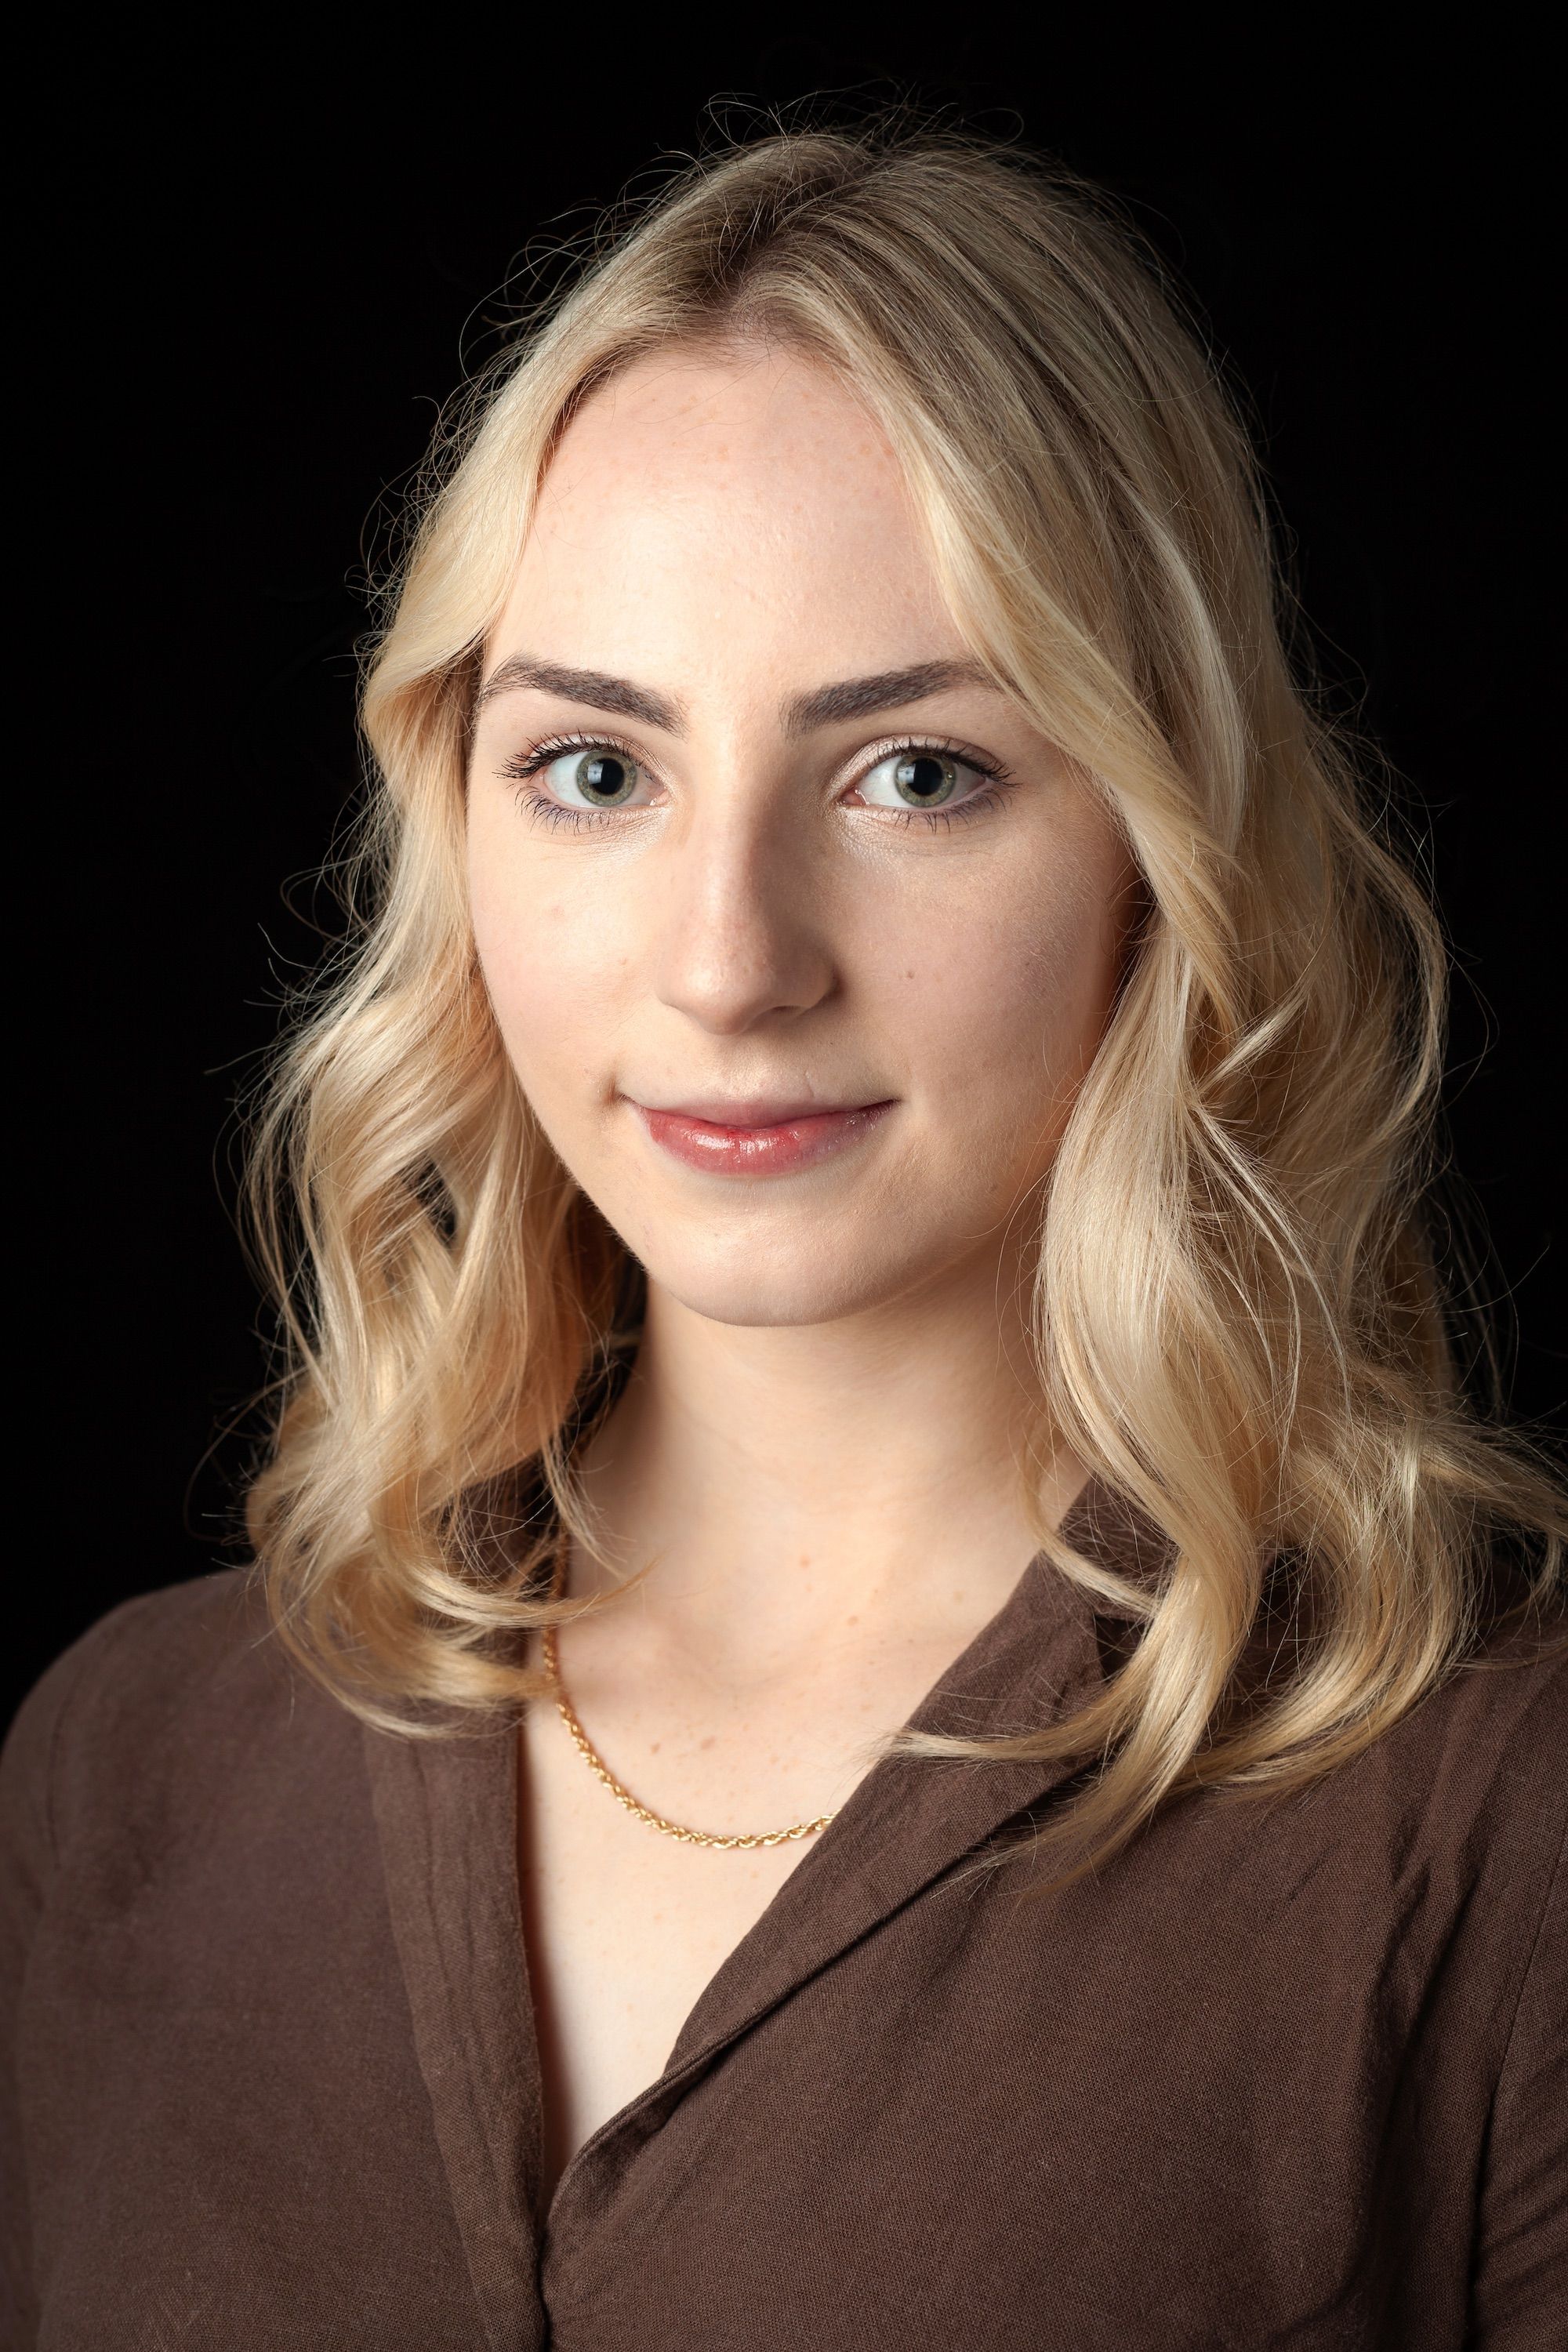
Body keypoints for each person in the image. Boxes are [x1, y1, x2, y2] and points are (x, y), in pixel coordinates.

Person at [2, 122, 1563, 2351]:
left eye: (913, 771)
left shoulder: (1485, 1816)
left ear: (1158, 837)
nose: (731, 963)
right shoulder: (122, 1769)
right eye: (598, 770)